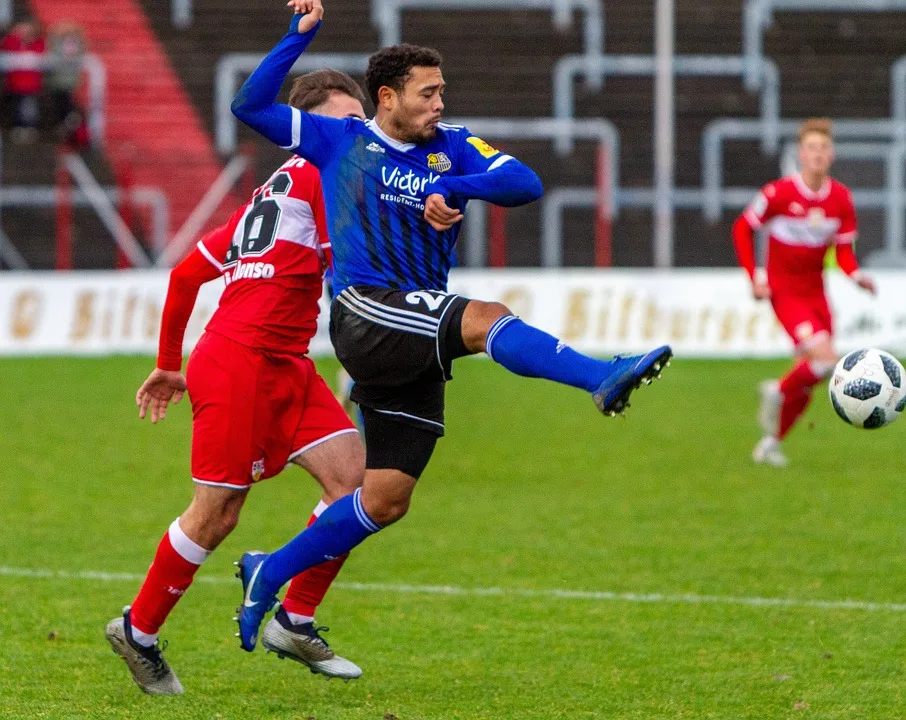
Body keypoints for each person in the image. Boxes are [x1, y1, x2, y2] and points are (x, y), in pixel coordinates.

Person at [229, 0, 673, 655]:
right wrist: (298, 38)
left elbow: (524, 182)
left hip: (411, 331)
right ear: (387, 98)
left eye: (443, 92)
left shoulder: (452, 146)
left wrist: (458, 187)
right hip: (367, 309)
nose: (440, 103)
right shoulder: (340, 141)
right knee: (486, 318)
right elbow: (251, 106)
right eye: (427, 93)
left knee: (384, 499)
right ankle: (601, 377)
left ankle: (272, 569)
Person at [105, 69, 371, 695]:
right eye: (341, 123)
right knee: (217, 513)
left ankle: (295, 617)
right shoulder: (321, 175)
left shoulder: (267, 196)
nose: (355, 132)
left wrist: (171, 361)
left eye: (359, 121)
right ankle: (137, 631)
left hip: (284, 363)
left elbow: (184, 278)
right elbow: (345, 273)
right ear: (308, 133)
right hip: (240, 363)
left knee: (357, 483)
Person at [733, 117, 876, 467]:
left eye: (824, 147)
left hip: (817, 294)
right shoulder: (778, 194)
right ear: (801, 153)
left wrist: (856, 275)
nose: (818, 154)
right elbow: (742, 228)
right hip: (786, 292)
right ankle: (776, 390)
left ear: (832, 154)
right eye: (812, 147)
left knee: (810, 377)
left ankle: (770, 443)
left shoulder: (841, 199)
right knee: (826, 359)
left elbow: (842, 251)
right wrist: (755, 277)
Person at [0, 18, 45, 143]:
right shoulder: (13, 42)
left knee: (29, 107)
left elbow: (42, 54)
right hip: (15, 84)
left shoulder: (38, 43)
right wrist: (14, 36)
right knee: (17, 106)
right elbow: (6, 47)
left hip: (31, 85)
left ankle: (30, 127)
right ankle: (18, 127)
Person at [47, 21, 88, 147]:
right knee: (60, 107)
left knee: (68, 107)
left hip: (71, 82)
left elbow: (83, 53)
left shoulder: (78, 43)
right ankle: (64, 130)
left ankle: (69, 131)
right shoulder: (56, 42)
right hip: (58, 80)